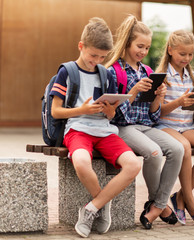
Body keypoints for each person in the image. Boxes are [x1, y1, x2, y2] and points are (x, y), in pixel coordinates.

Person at [50, 17, 141, 238]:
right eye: (93, 55)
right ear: (81, 46)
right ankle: (102, 201)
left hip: (104, 130)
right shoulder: (67, 72)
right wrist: (81, 110)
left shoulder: (105, 73)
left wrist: (110, 111)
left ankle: (92, 206)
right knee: (81, 162)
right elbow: (55, 111)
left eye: (102, 57)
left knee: (133, 165)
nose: (97, 60)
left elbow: (110, 111)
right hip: (78, 129)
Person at [104, 15, 183, 229]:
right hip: (123, 127)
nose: (143, 52)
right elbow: (114, 114)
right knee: (154, 153)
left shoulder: (148, 71)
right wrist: (133, 91)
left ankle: (156, 204)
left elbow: (153, 116)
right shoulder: (113, 72)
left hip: (145, 126)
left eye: (147, 48)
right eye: (140, 46)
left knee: (177, 149)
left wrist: (158, 97)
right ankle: (161, 206)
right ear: (128, 43)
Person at [155, 30, 194, 225]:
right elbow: (157, 113)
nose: (187, 58)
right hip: (166, 125)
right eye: (183, 54)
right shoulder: (161, 76)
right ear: (170, 50)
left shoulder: (193, 76)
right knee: (183, 148)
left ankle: (180, 196)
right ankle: (190, 202)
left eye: (190, 54)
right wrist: (179, 102)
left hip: (188, 125)